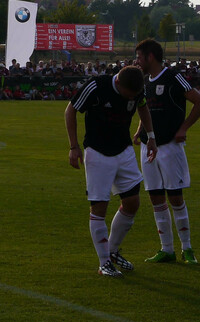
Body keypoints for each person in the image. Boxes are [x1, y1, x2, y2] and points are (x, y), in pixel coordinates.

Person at [65, 65, 157, 277]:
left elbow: (143, 107)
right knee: (100, 207)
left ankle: (113, 251)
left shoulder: (136, 88)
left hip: (123, 149)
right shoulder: (97, 86)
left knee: (133, 202)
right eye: (129, 95)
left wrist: (150, 136)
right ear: (118, 84)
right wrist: (73, 146)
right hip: (97, 152)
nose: (131, 99)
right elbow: (70, 110)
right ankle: (104, 262)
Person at [134, 38, 200, 264]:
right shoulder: (144, 81)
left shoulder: (173, 77)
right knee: (156, 197)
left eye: (139, 57)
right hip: (148, 147)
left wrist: (183, 128)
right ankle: (166, 249)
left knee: (175, 197)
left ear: (150, 57)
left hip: (169, 146)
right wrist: (139, 131)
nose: (137, 61)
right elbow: (145, 109)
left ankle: (187, 248)